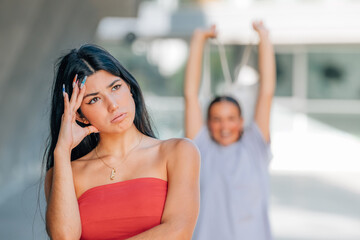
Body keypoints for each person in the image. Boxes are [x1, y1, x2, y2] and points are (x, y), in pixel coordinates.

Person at [43, 44, 200, 240]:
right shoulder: (64, 171)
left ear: (130, 89)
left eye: (116, 87)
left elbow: (178, 232)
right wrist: (62, 151)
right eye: (94, 100)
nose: (113, 105)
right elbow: (64, 237)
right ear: (80, 116)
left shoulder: (177, 152)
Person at [184, 21, 276, 240]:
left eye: (231, 119)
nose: (225, 126)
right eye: (217, 119)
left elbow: (267, 91)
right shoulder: (201, 146)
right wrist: (199, 39)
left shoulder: (255, 145)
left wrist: (264, 38)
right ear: (208, 123)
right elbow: (190, 95)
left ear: (241, 121)